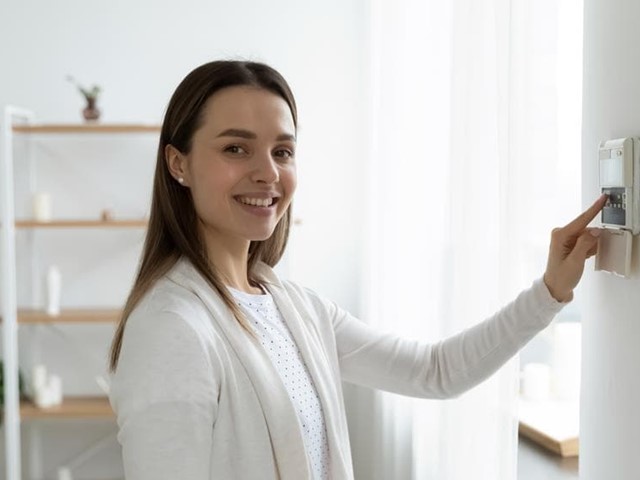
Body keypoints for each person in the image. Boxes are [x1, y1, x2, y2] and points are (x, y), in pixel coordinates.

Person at [108, 60, 607, 480]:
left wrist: (549, 293)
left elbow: (435, 371)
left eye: (282, 151)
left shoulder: (293, 307)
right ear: (178, 163)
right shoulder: (171, 328)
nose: (268, 172)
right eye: (235, 148)